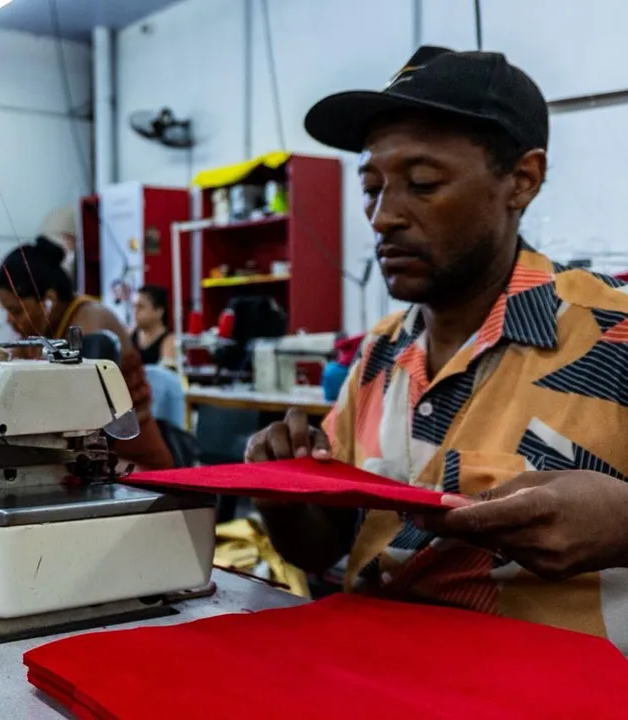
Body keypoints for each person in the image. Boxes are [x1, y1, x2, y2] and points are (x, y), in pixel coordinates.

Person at [247, 45, 628, 648]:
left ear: (522, 180)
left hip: (544, 688)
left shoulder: (613, 331)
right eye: (371, 187)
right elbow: (324, 548)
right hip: (368, 670)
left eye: (422, 184)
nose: (382, 217)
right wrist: (282, 493)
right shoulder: (380, 353)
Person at [0, 237, 174, 470]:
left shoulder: (89, 322)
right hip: (89, 457)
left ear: (48, 301)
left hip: (137, 464)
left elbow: (82, 412)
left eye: (16, 310)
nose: (9, 320)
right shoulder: (37, 332)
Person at [131, 285, 176, 366]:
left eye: (140, 307)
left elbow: (166, 373)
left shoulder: (169, 342)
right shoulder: (130, 335)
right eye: (134, 306)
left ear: (159, 311)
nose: (135, 311)